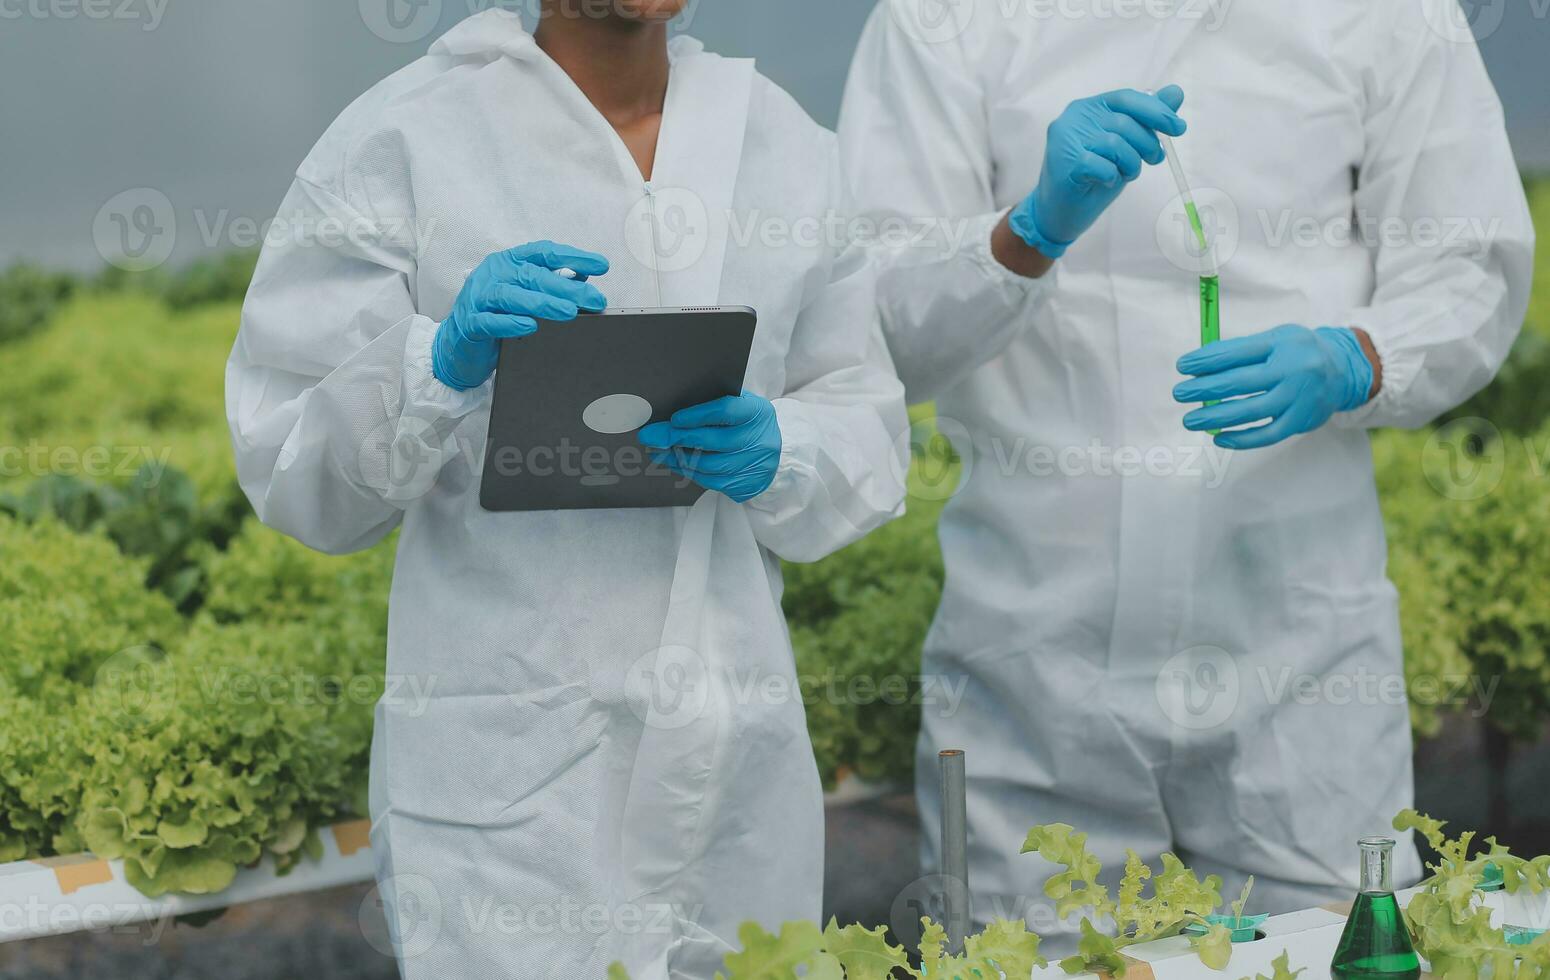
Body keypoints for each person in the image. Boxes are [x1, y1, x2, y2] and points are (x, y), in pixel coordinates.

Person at [226, 4, 908, 977]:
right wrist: (437, 365)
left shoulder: (780, 141)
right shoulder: (405, 139)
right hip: (514, 789)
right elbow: (294, 471)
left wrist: (785, 447)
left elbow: (865, 416)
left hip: (734, 762)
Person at [838, 0, 1534, 936]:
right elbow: (877, 315)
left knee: (1327, 944)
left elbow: (1471, 262)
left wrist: (1363, 353)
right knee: (1029, 955)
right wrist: (1025, 234)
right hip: (1032, 664)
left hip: (1301, 667)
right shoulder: (943, 21)